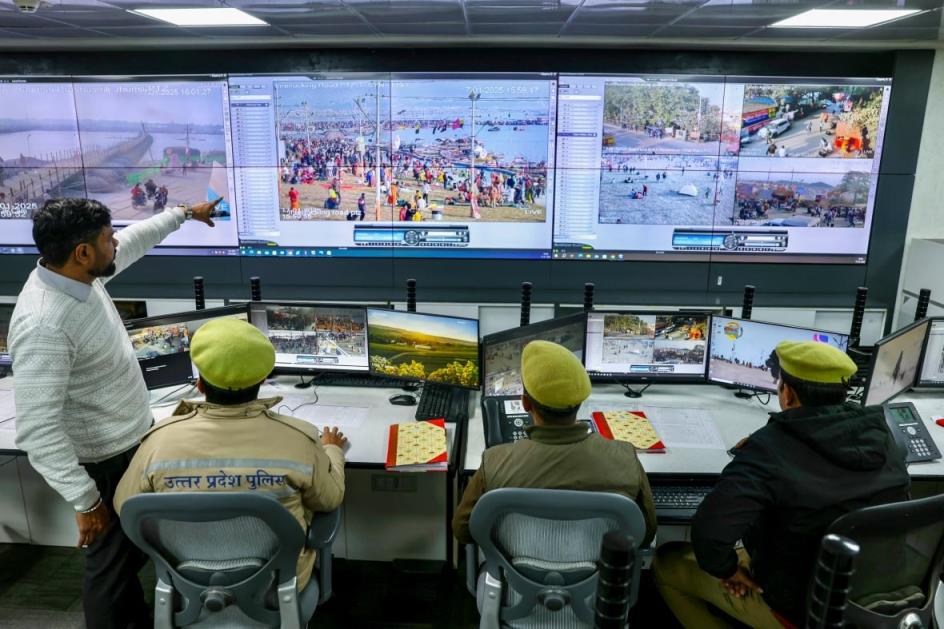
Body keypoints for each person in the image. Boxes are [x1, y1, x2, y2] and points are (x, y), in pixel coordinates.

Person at [8, 196, 221, 629]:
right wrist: (85, 500)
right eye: (108, 239)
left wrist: (182, 215)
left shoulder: (78, 276)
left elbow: (135, 241)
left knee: (128, 562)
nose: (116, 245)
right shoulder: (45, 322)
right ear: (82, 252)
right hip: (103, 463)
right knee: (110, 569)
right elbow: (36, 429)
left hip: (130, 443)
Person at [653, 341, 910, 628]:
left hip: (801, 610)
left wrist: (728, 571)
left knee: (666, 564)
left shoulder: (768, 451)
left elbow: (709, 537)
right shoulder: (884, 435)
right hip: (880, 600)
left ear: (787, 393)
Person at [114, 318, 347, 592]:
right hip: (277, 584)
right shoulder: (298, 438)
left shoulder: (159, 440)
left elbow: (125, 507)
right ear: (262, 379)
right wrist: (332, 449)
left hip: (187, 579)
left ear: (200, 384)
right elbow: (329, 499)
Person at [452, 340, 657, 546]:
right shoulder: (625, 459)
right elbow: (646, 533)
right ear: (579, 402)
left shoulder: (494, 463)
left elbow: (463, 530)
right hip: (598, 575)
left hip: (516, 573)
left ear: (525, 402)